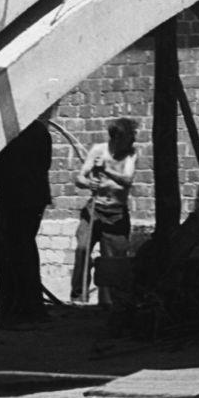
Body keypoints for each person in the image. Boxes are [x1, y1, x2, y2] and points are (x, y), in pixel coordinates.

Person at [0, 117, 56, 323]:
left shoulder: (7, 132)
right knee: (25, 248)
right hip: (35, 195)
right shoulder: (40, 130)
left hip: (14, 196)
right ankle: (28, 305)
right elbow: (46, 163)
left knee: (12, 250)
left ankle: (16, 306)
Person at [69, 115, 139, 308]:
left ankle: (109, 303)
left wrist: (106, 170)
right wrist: (89, 182)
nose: (133, 140)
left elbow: (127, 180)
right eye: (130, 136)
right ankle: (78, 298)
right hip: (94, 211)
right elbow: (79, 178)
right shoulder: (98, 150)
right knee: (82, 250)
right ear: (117, 138)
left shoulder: (131, 154)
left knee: (113, 261)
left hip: (116, 214)